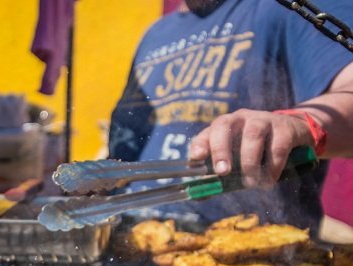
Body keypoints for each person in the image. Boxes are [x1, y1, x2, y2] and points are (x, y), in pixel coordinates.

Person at [108, 0, 353, 230]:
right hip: (127, 243)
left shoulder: (293, 7)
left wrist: (301, 124)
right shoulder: (155, 34)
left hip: (247, 245)